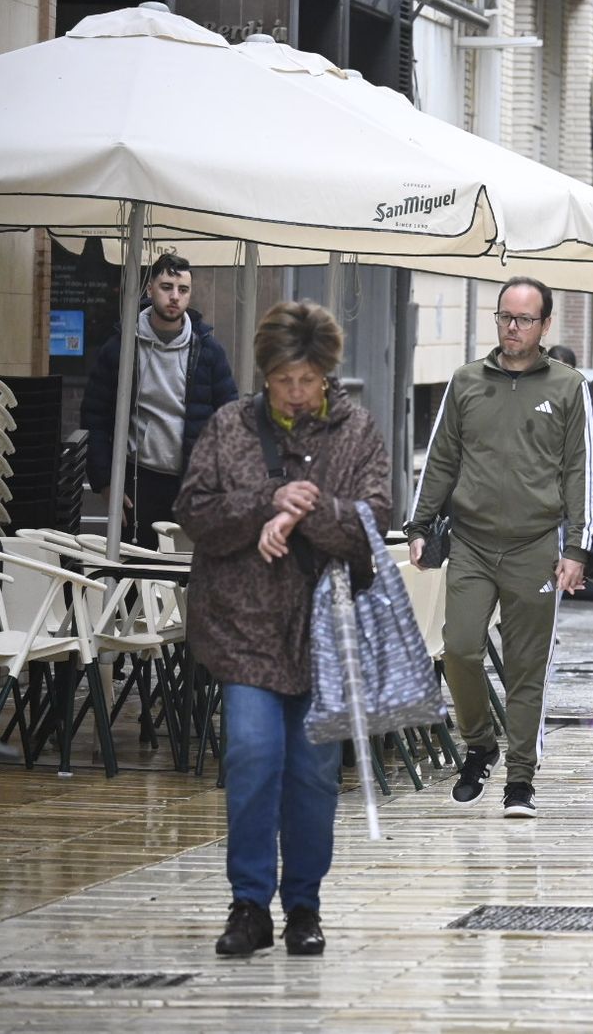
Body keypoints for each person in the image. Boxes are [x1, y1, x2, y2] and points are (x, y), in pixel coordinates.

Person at [176, 300, 388, 958]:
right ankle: (248, 903)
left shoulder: (357, 431)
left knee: (314, 773)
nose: (296, 393)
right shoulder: (230, 426)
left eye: (308, 379)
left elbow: (372, 524)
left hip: (324, 632)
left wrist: (308, 507)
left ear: (327, 373)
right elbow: (195, 512)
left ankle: (302, 905)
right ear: (264, 373)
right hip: (243, 625)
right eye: (283, 379)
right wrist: (266, 498)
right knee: (252, 754)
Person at [406, 276, 593, 819]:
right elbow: (440, 459)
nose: (512, 328)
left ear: (544, 325)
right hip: (470, 542)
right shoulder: (466, 381)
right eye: (504, 317)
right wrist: (419, 525)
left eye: (524, 319)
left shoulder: (567, 386)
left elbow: (582, 471)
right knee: (460, 649)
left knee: (525, 669)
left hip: (537, 545)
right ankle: (481, 744)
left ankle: (520, 779)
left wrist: (578, 548)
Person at [81, 253, 238, 549]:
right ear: (149, 289)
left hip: (193, 482)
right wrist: (105, 482)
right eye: (166, 287)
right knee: (131, 576)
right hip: (137, 479)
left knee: (184, 580)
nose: (175, 297)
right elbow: (95, 417)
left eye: (183, 289)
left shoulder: (208, 351)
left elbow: (230, 422)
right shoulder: (122, 346)